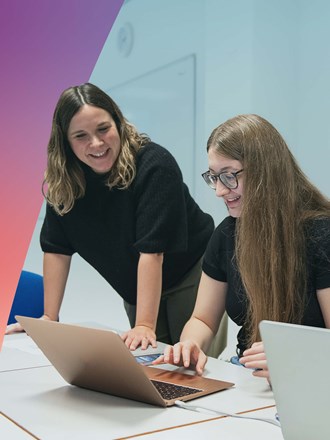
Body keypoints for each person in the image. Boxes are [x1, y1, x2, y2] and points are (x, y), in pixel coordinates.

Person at [6, 83, 214, 349]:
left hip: (190, 272)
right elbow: (56, 249)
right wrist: (49, 317)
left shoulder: (154, 164)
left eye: (103, 129)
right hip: (136, 288)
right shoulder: (64, 183)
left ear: (118, 123)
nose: (96, 143)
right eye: (80, 136)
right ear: (66, 142)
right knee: (150, 365)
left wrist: (144, 325)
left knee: (186, 363)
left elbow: (153, 252)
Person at [154, 114, 330, 378]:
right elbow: (202, 320)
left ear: (265, 171)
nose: (220, 191)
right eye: (214, 177)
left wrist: (292, 358)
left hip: (311, 380)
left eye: (229, 176)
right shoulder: (225, 235)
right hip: (248, 378)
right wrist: (190, 344)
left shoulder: (321, 235)